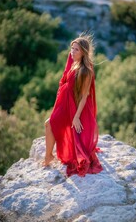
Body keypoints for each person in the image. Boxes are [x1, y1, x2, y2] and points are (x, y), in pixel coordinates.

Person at [42, 34, 103, 177]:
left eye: (76, 50)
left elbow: (84, 96)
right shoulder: (73, 61)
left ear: (83, 52)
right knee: (49, 124)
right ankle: (49, 155)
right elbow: (66, 73)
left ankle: (48, 156)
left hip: (72, 107)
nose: (72, 52)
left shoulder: (85, 71)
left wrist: (76, 117)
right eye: (72, 48)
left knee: (49, 124)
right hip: (65, 104)